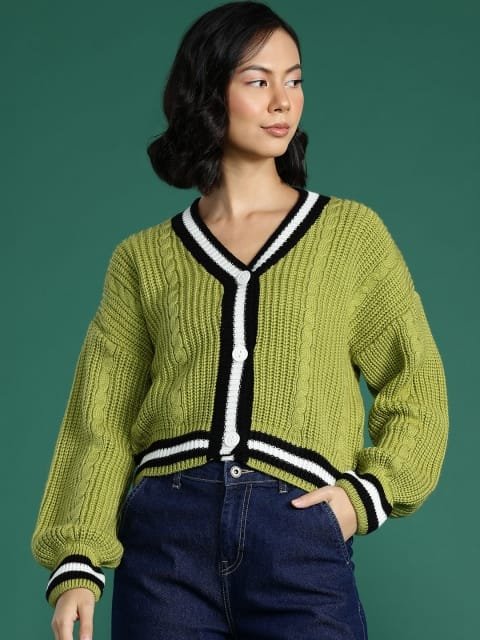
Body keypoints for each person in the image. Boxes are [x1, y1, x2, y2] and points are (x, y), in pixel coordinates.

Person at [31, 2, 449, 639]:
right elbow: (101, 415)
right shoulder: (144, 259)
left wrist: (360, 498)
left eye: (295, 80)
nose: (283, 101)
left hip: (298, 533)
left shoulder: (350, 236)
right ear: (209, 94)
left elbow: (415, 382)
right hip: (165, 545)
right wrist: (77, 561)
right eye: (258, 80)